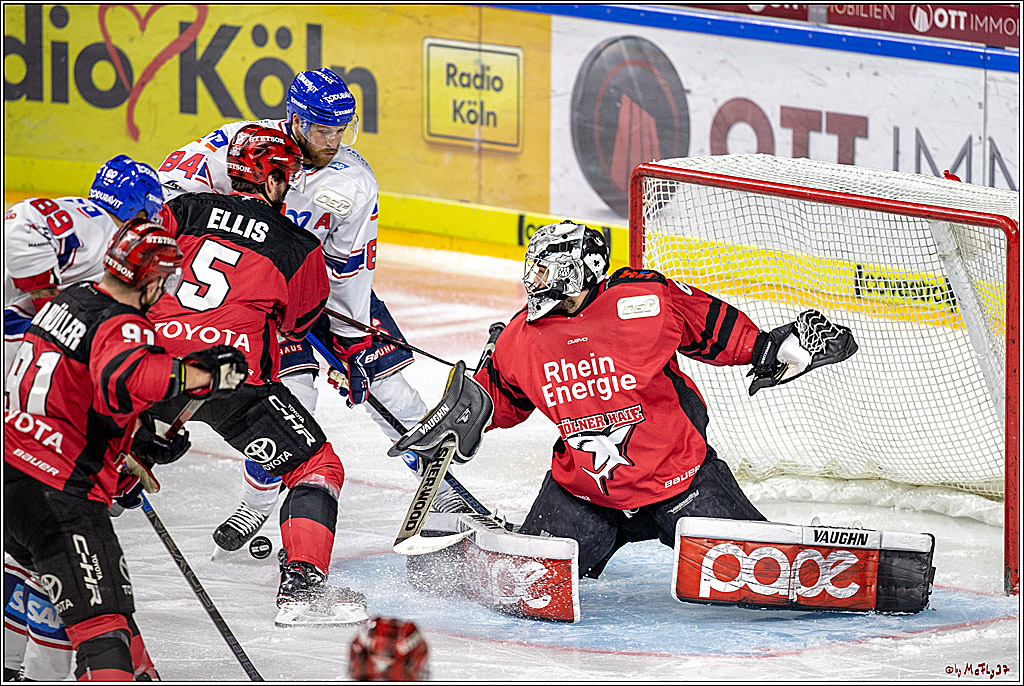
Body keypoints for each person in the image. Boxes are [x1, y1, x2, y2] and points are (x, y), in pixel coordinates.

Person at [395, 221, 849, 579]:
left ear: (576, 271)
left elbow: (713, 328)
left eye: (545, 270)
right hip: (584, 494)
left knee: (766, 573)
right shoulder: (522, 336)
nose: (533, 281)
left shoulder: (645, 300)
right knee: (527, 583)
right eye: (533, 269)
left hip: (680, 482)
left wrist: (772, 348)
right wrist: (464, 414)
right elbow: (501, 400)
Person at [156, 67, 437, 553]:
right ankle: (255, 503)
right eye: (323, 129)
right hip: (251, 291)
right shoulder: (239, 145)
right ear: (296, 120)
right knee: (293, 402)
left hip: (313, 281)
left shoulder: (354, 181)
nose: (333, 141)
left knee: (390, 386)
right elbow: (167, 195)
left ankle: (445, 492)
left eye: (341, 129)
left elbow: (349, 267)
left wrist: (352, 344)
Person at [3, 219, 247, 680]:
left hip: (12, 480)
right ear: (151, 281)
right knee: (103, 630)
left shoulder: (68, 299)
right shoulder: (123, 323)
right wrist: (204, 376)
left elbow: (80, 395)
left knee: (99, 599)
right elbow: (123, 377)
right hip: (60, 497)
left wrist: (130, 446)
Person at [146, 124, 366, 622]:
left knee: (96, 462)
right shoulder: (298, 245)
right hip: (234, 379)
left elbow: (140, 265)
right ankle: (303, 592)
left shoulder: (184, 209)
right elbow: (297, 323)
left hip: (155, 364)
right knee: (316, 467)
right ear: (273, 181)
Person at [2, 154, 164, 682]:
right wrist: (46, 298)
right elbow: (17, 227)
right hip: (22, 377)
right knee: (56, 542)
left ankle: (12, 661)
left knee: (27, 551)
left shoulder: (93, 232)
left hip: (24, 392)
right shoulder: (99, 230)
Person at [4, 155, 164, 377]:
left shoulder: (84, 215)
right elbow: (22, 218)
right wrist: (47, 309)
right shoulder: (102, 228)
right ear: (140, 212)